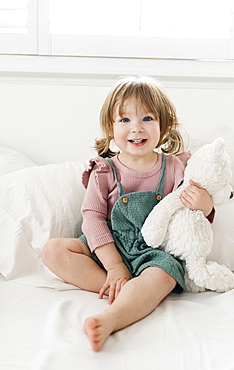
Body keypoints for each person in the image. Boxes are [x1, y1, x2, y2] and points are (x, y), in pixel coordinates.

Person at [42, 76, 214, 352]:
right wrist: (114, 267)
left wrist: (205, 205)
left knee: (164, 276)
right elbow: (93, 218)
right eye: (124, 120)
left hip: (151, 251)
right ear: (110, 127)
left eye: (147, 118)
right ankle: (122, 288)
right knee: (53, 250)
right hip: (107, 248)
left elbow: (188, 217)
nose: (136, 128)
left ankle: (112, 317)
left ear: (164, 125)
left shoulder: (175, 167)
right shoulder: (103, 171)